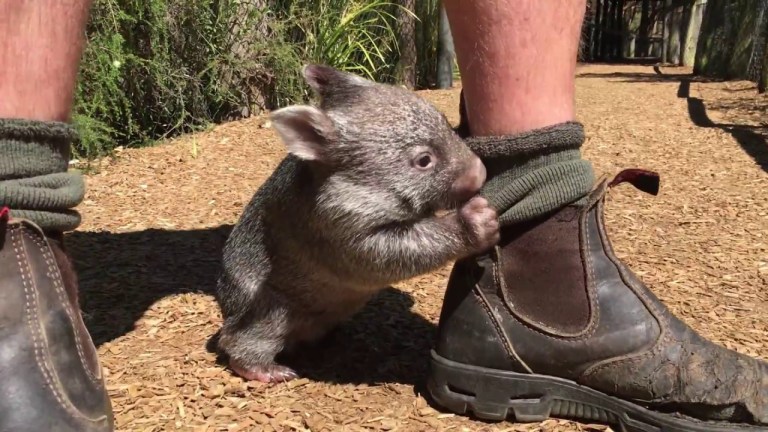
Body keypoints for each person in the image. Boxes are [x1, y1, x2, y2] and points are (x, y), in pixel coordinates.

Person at [0, 1, 764, 431]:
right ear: (316, 149)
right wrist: (456, 235)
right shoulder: (337, 199)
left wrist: (451, 179)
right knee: (267, 324)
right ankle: (16, 198)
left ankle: (543, 228)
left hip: (330, 270)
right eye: (430, 163)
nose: (467, 167)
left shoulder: (370, 150)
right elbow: (368, 255)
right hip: (281, 292)